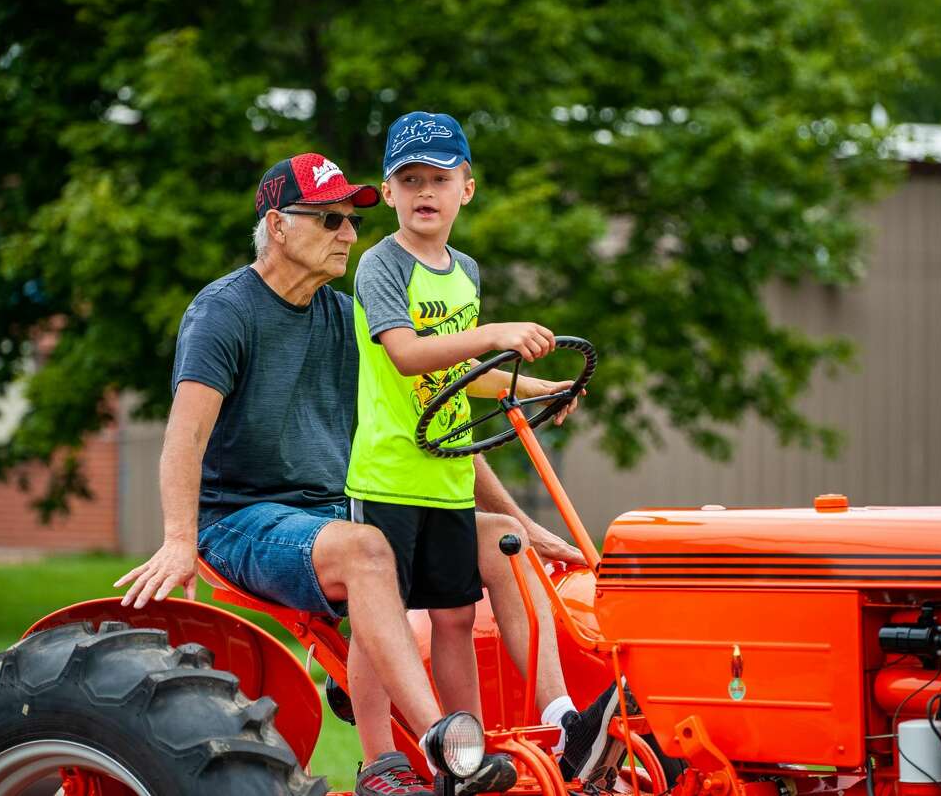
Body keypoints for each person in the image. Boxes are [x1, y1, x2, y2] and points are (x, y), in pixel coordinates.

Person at [113, 151, 626, 796]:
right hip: (244, 518)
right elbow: (184, 436)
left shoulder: (344, 315)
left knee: (504, 545)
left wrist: (522, 491)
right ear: (276, 226)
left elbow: (436, 419)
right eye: (329, 221)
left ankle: (566, 727)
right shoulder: (225, 312)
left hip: (337, 507)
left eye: (352, 220)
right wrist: (179, 540)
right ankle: (425, 754)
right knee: (368, 549)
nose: (350, 236)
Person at [345, 112, 632, 796]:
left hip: (447, 477)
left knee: (451, 614)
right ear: (387, 194)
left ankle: (476, 747)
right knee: (374, 622)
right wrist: (496, 335)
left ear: (466, 189)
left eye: (438, 178)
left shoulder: (464, 272)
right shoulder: (380, 266)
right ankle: (378, 758)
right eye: (408, 179)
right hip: (388, 473)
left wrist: (533, 387)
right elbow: (411, 355)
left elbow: (458, 383)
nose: (424, 191)